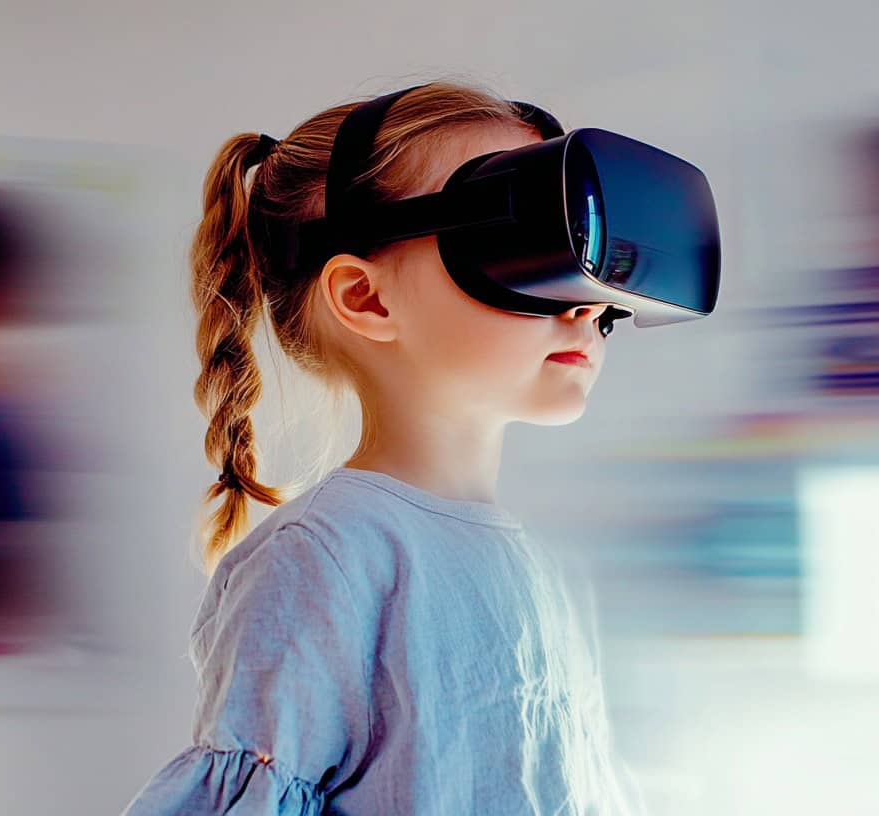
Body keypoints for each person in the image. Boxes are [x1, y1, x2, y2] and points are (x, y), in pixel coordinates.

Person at [120, 79, 646, 815]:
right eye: (521, 240)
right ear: (365, 299)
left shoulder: (538, 562)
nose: (586, 300)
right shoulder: (329, 556)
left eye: (576, 248)